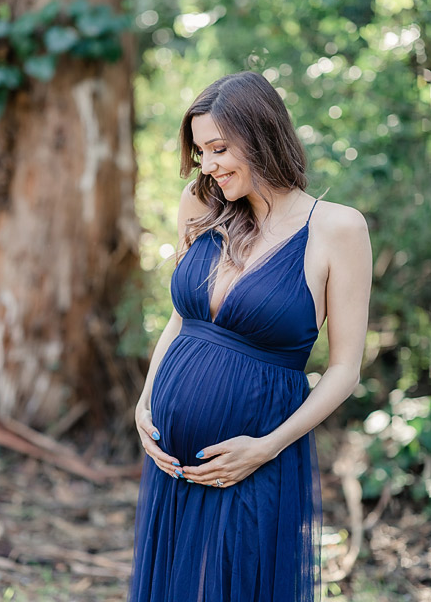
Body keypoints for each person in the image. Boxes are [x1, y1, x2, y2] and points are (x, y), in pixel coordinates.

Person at [129, 71, 371, 601]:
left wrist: (264, 448)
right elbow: (182, 318)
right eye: (200, 153)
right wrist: (145, 404)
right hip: (173, 459)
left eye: (218, 148)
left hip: (255, 454)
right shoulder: (200, 208)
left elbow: (344, 370)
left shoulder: (337, 229)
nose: (208, 166)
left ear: (261, 135)